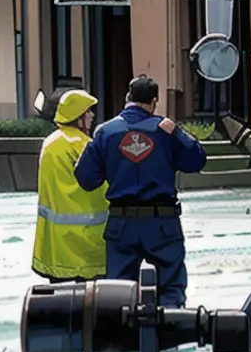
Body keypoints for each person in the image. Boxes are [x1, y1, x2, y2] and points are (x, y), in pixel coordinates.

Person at [74, 75, 208, 307]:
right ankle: (171, 333)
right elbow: (197, 161)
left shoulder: (105, 132)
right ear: (154, 101)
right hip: (162, 223)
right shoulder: (164, 131)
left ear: (128, 98)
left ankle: (122, 339)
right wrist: (177, 132)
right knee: (171, 288)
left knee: (116, 293)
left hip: (121, 224)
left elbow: (86, 179)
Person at [32, 89, 109, 283]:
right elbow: (104, 185)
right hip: (86, 243)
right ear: (77, 116)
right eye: (87, 112)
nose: (91, 116)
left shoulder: (50, 143)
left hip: (55, 246)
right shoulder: (83, 144)